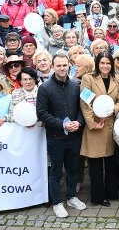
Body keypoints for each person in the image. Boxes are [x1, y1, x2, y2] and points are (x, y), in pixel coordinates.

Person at [36, 54, 86, 218]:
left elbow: (81, 109)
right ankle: (57, 202)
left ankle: (71, 196)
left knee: (73, 169)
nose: (62, 68)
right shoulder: (45, 88)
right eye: (59, 66)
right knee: (56, 172)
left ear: (69, 66)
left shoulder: (75, 85)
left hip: (74, 136)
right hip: (56, 138)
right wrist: (62, 124)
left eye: (65, 65)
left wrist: (78, 122)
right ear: (52, 66)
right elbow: (42, 113)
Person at [80, 52, 119, 208]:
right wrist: (92, 123)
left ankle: (112, 192)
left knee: (110, 161)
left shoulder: (117, 78)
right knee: (96, 162)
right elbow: (85, 103)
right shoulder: (88, 78)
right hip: (96, 126)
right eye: (102, 63)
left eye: (108, 63)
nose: (105, 66)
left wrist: (113, 110)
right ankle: (98, 196)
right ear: (97, 64)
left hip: (111, 124)